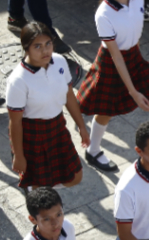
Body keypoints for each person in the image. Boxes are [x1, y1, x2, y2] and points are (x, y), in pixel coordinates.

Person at [76, 0, 149, 172]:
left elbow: (135, 34)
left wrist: (135, 58)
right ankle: (93, 151)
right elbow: (116, 56)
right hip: (112, 62)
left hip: (134, 57)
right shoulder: (103, 14)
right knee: (105, 110)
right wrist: (133, 92)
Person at [5, 23, 88, 190]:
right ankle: (39, 197)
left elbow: (69, 96)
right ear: (26, 48)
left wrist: (82, 126)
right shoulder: (18, 80)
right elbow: (15, 122)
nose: (45, 51)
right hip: (33, 134)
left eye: (48, 44)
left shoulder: (59, 61)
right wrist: (19, 155)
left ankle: (42, 193)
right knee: (39, 184)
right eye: (37, 46)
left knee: (75, 176)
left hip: (57, 127)